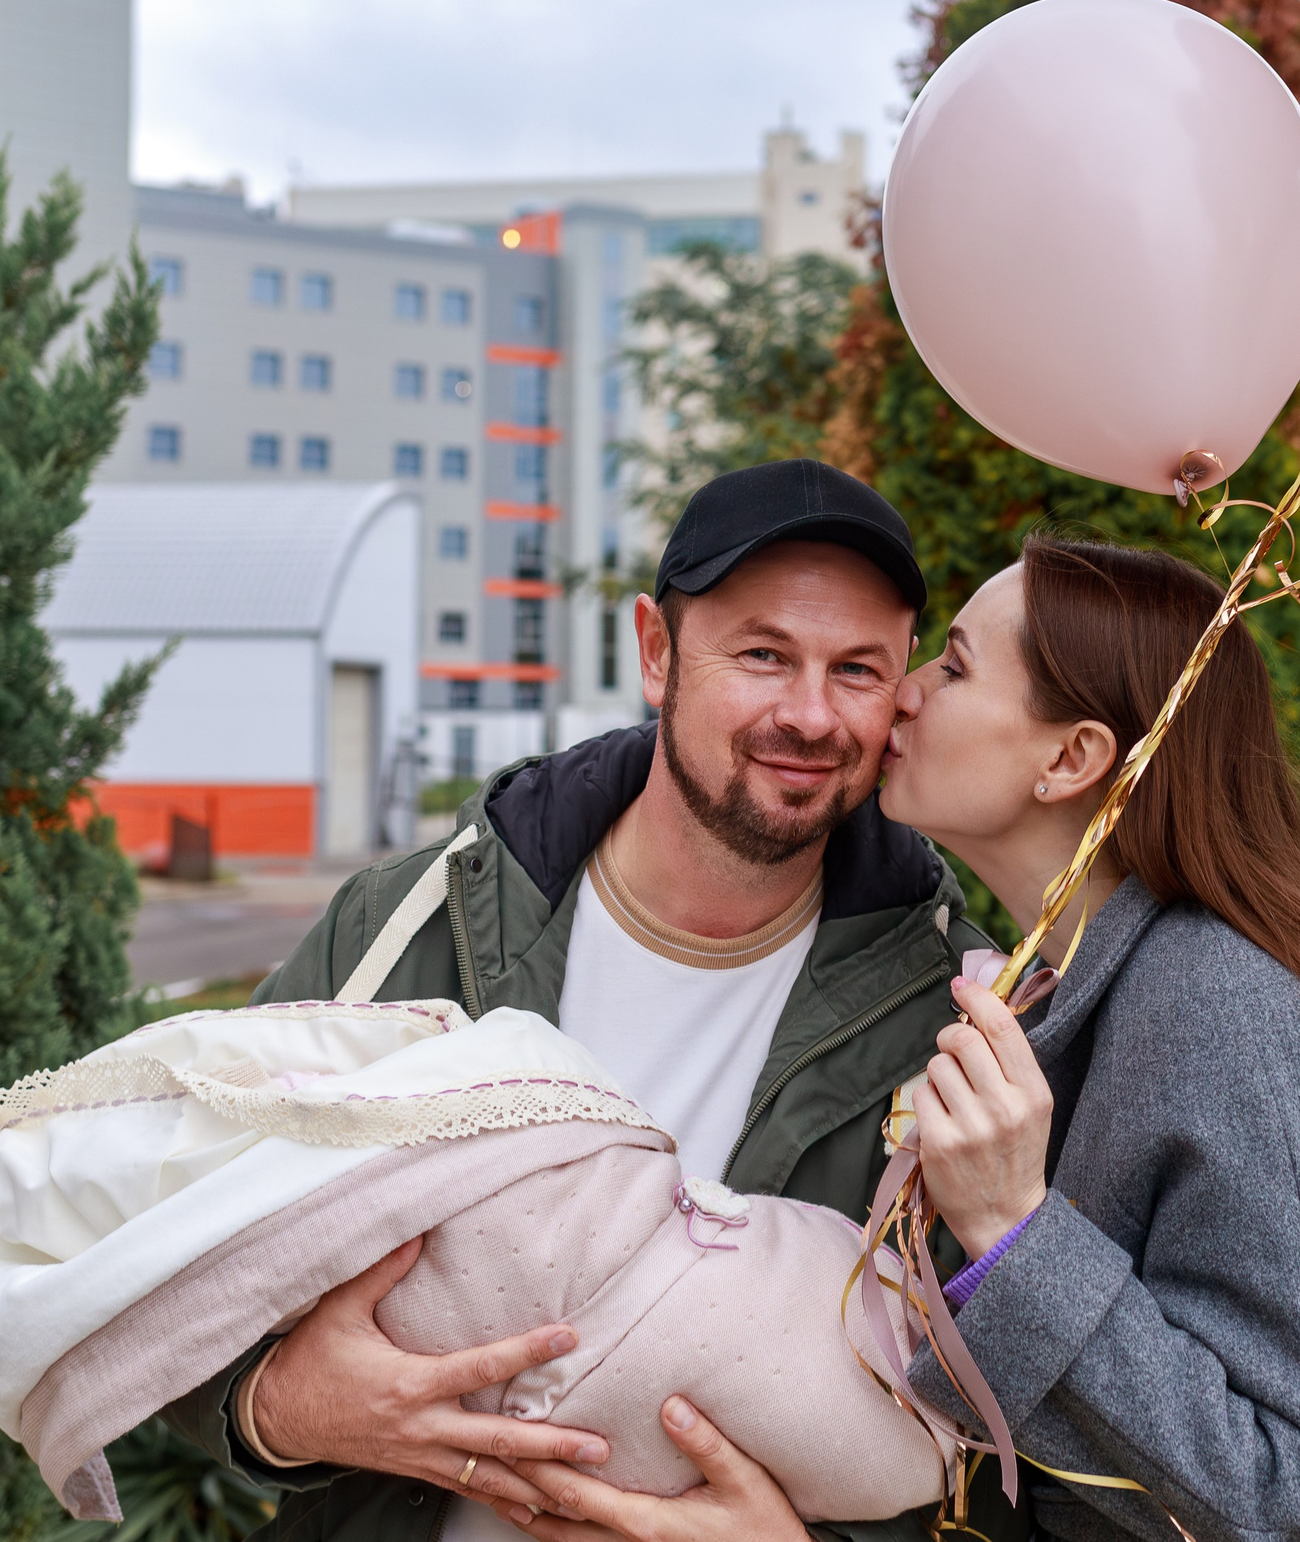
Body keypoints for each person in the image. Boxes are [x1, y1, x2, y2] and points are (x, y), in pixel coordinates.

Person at [156, 461, 1010, 1542]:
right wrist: (274, 1408)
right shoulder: (416, 923)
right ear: (656, 651)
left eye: (856, 671)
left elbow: (995, 1446)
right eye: (761, 654)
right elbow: (157, 1252)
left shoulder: (958, 1026)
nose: (809, 714)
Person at [875, 536, 1300, 1542]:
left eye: (954, 665)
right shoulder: (1094, 979)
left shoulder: (1224, 1006)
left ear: (1069, 759)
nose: (905, 689)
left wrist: (1014, 1235)